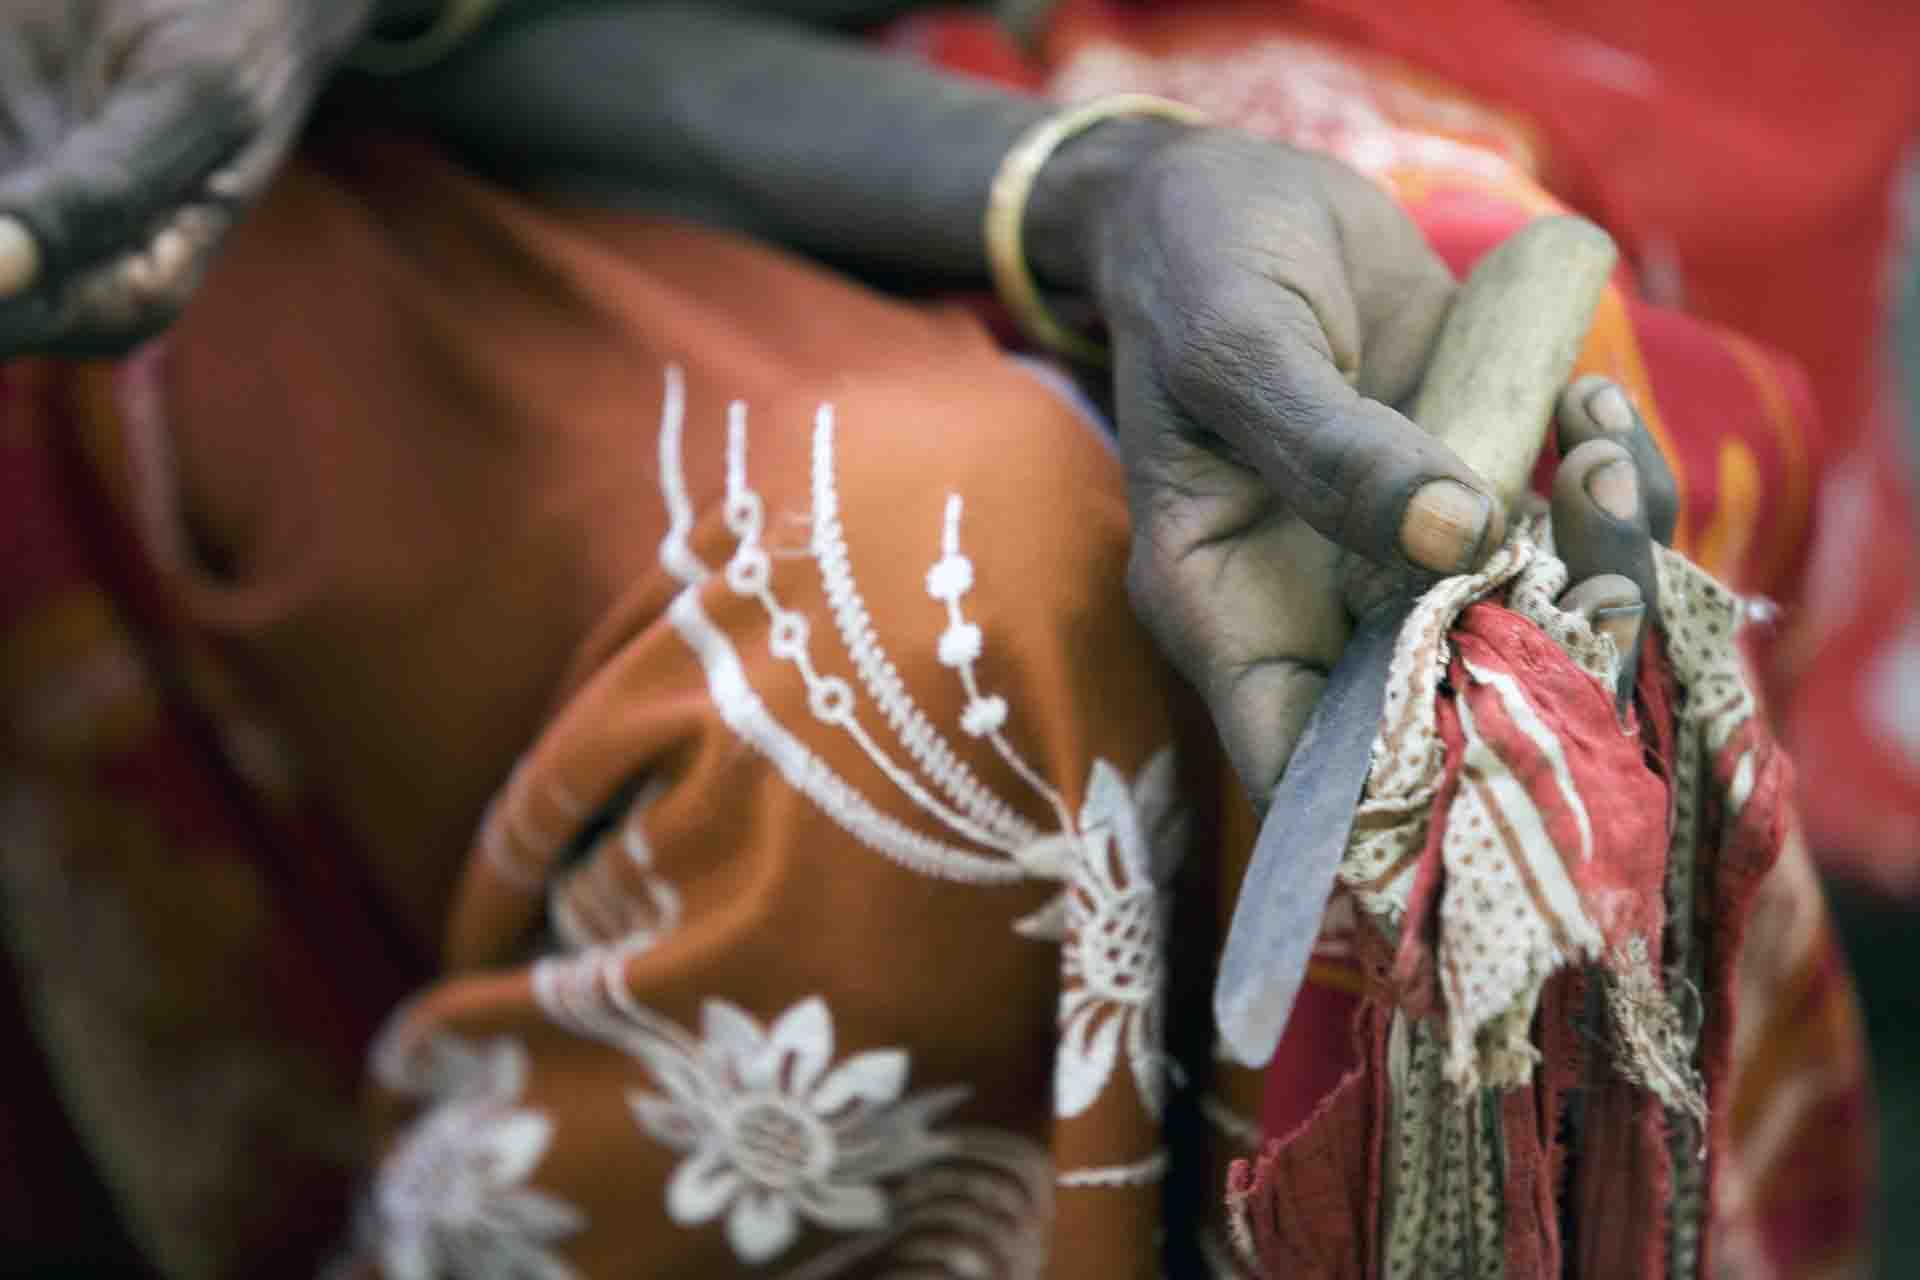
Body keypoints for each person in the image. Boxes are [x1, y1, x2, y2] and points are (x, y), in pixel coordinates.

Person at [0, 1, 1870, 1275]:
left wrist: (1109, 182)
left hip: (1134, 60)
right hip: (349, 130)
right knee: (930, 649)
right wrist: (1079, 190)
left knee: (1526, 427)